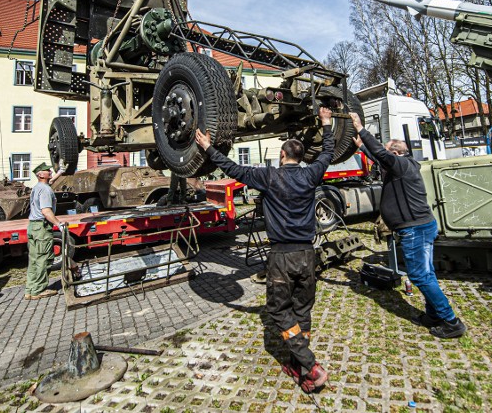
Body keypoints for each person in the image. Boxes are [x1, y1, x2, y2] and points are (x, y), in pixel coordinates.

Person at [194, 106, 335, 393]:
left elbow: (232, 168)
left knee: (277, 308)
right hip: (308, 254)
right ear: (300, 157)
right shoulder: (311, 175)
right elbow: (327, 154)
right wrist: (327, 125)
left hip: (282, 257)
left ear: (283, 155)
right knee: (302, 309)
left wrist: (209, 147)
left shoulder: (269, 177)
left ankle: (310, 364)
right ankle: (298, 365)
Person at [350, 113, 467, 338]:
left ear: (395, 153)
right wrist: (363, 148)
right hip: (420, 227)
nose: (385, 158)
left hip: (415, 229)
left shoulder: (401, 165)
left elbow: (382, 155)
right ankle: (433, 315)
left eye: (388, 153)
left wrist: (361, 129)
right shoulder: (404, 165)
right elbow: (381, 158)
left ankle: (450, 321)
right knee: (426, 273)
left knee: (420, 276)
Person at [24, 162, 63, 301]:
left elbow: (50, 181)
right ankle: (39, 290)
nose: (50, 171)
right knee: (43, 259)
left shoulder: (37, 187)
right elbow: (46, 211)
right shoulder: (45, 190)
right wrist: (59, 224)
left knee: (34, 259)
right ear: (41, 174)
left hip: (33, 227)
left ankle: (30, 289)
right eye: (48, 170)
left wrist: (61, 172)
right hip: (42, 228)